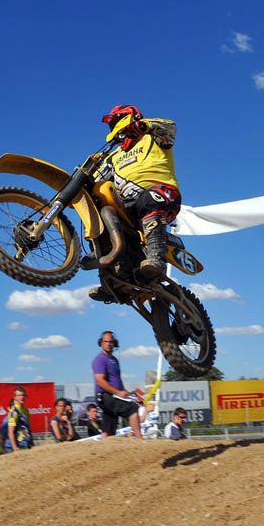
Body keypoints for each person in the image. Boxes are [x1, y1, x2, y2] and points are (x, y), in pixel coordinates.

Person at [89, 105, 181, 303]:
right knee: (100, 217)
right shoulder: (113, 156)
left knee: (150, 198)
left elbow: (170, 128)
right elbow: (96, 180)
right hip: (129, 207)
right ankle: (115, 279)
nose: (115, 126)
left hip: (163, 195)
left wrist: (143, 125)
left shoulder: (152, 138)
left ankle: (156, 259)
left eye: (117, 120)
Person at [92, 331, 142, 439]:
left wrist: (124, 393)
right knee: (132, 409)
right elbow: (100, 381)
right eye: (106, 341)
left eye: (111, 342)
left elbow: (116, 380)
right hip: (105, 395)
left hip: (113, 396)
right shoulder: (99, 359)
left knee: (109, 429)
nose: (108, 344)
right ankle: (140, 440)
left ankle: (103, 447)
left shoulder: (114, 360)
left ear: (114, 343)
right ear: (101, 343)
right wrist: (118, 392)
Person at [1, 387, 33, 453]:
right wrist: (15, 448)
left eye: (23, 395)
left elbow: (28, 428)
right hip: (17, 446)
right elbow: (10, 431)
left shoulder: (26, 410)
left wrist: (31, 442)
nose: (22, 397)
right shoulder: (14, 411)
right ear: (15, 397)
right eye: (19, 395)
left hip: (26, 445)